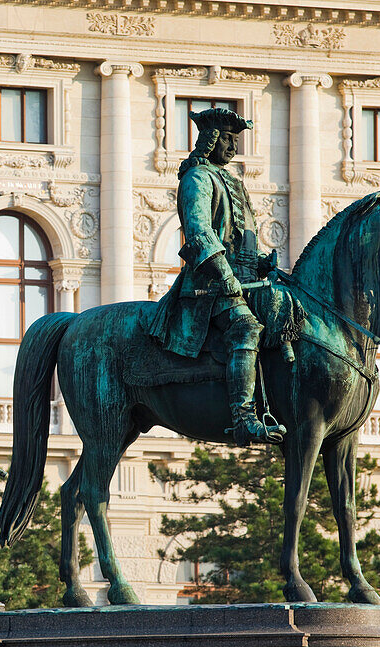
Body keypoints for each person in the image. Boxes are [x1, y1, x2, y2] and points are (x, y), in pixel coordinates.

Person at [143, 107, 286, 445]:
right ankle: (243, 418)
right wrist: (225, 276)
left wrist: (262, 264)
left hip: (245, 282)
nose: (233, 146)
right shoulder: (197, 178)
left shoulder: (232, 181)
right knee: (246, 328)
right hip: (209, 287)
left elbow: (238, 237)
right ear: (209, 140)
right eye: (227, 138)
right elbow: (199, 233)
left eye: (236, 140)